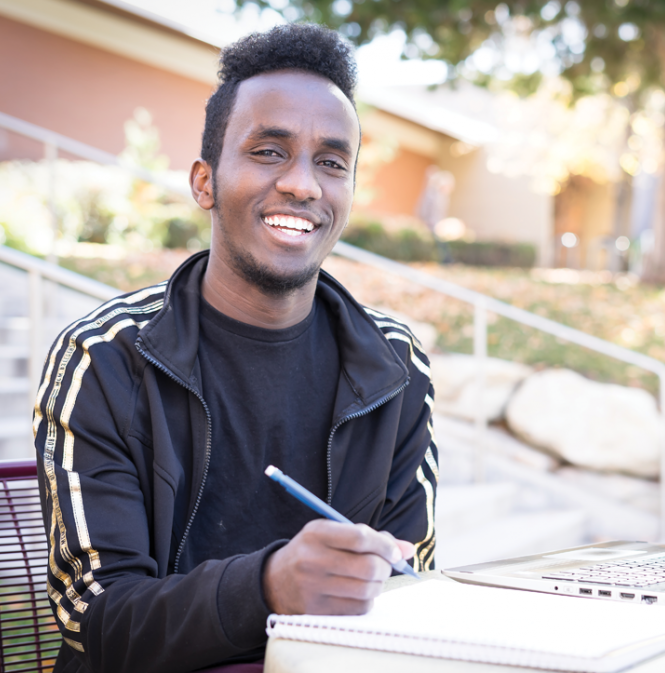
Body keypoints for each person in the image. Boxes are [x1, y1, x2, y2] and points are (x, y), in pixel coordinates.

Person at [33, 24, 437, 673]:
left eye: (331, 161)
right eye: (270, 151)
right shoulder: (102, 358)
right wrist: (269, 585)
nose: (303, 184)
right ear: (204, 182)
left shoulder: (395, 365)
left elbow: (414, 583)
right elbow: (97, 623)